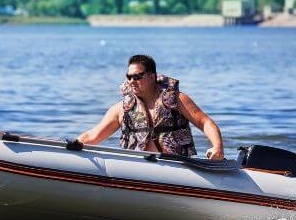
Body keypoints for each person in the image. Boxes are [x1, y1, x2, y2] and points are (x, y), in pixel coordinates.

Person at [75, 54, 224, 160]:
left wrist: (217, 147)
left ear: (152, 76)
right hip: (137, 168)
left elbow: (205, 123)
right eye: (129, 77)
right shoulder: (121, 109)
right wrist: (69, 146)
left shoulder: (177, 100)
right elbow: (93, 136)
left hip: (176, 168)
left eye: (137, 76)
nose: (132, 81)